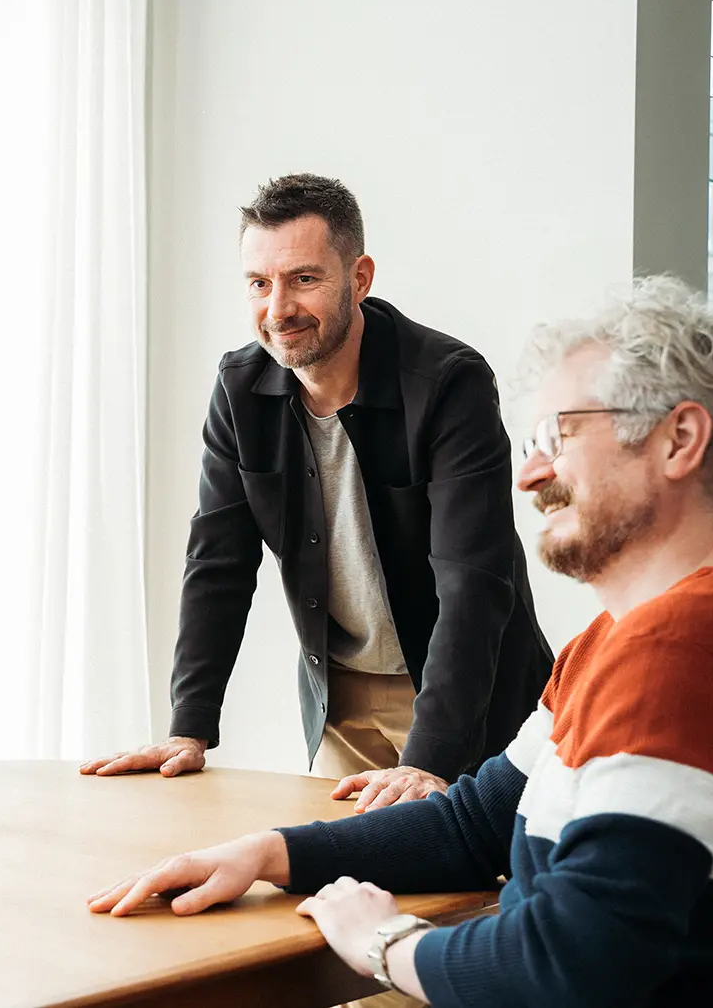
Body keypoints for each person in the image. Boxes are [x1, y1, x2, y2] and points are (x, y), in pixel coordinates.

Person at [88, 277, 713, 1006]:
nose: (531, 474)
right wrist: (269, 852)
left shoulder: (676, 654)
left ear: (679, 440)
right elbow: (477, 822)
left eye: (561, 435)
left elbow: (568, 962)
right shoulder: (607, 646)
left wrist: (386, 942)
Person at [81, 175, 550, 809]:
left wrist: (429, 758)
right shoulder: (241, 389)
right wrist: (188, 726)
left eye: (304, 279)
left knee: (479, 887)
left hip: (469, 694)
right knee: (341, 886)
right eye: (259, 283)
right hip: (343, 701)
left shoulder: (447, 383)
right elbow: (218, 562)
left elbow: (473, 581)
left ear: (359, 278)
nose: (278, 309)